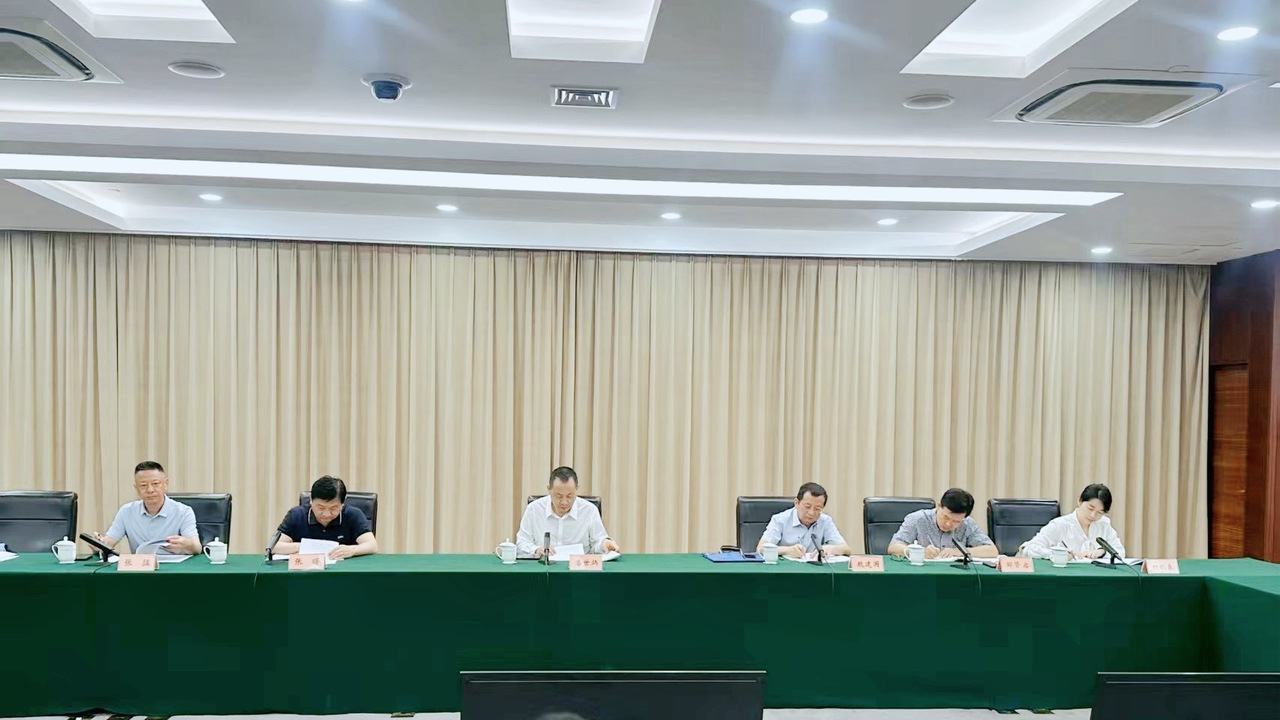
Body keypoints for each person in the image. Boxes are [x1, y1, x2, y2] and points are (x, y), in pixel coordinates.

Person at [95, 461, 201, 555]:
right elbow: (108, 542)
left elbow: (197, 547)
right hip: (141, 567)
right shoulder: (126, 512)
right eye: (143, 485)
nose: (150, 490)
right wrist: (98, 544)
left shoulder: (183, 512)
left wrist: (188, 544)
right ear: (136, 488)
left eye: (155, 484)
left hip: (174, 567)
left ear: (165, 484)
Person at [515, 466, 619, 557]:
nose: (564, 502)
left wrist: (604, 544)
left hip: (579, 569)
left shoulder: (589, 511)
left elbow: (597, 543)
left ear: (577, 489)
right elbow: (521, 543)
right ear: (549, 489)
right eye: (559, 496)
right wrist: (537, 550)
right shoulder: (534, 509)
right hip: (545, 568)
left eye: (569, 496)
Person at [273, 475, 378, 559]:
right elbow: (274, 546)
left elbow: (372, 545)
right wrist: (306, 547)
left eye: (333, 508)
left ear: (342, 504)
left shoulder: (353, 515)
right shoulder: (296, 515)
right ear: (311, 501)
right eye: (321, 507)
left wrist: (352, 550)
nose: (326, 514)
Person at [1021, 484, 1126, 559]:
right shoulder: (1059, 525)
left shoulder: (1104, 525)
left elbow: (1120, 552)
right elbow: (1028, 549)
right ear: (1079, 501)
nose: (1093, 515)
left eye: (1099, 512)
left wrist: (1102, 552)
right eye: (1090, 508)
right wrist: (1056, 554)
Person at [887, 488, 998, 559]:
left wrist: (958, 552)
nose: (949, 524)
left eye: (956, 521)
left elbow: (992, 551)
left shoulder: (968, 524)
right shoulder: (918, 519)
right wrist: (918, 552)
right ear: (939, 506)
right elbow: (893, 547)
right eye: (946, 517)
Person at [756, 482, 853, 559]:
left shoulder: (825, 521)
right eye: (807, 506)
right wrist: (787, 550)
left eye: (817, 509)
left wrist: (830, 548)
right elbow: (760, 549)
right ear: (796, 503)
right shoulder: (780, 520)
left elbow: (846, 549)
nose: (811, 513)